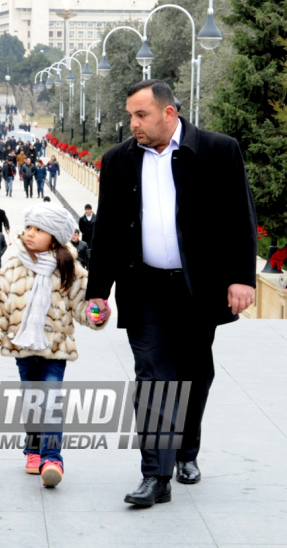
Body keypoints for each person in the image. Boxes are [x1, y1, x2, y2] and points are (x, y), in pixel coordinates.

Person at [86, 79, 257, 507]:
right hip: (143, 288)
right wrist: (98, 292)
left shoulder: (218, 150)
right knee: (152, 375)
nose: (133, 124)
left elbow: (240, 216)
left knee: (196, 374)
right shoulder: (119, 160)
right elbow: (105, 231)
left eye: (141, 115)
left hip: (198, 287)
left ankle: (186, 450)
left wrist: (242, 278)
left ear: (169, 113)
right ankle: (155, 476)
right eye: (130, 115)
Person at [0, 203, 110, 487]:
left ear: (55, 236)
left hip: (54, 349)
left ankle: (52, 458)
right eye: (29, 228)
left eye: (39, 230)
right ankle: (33, 449)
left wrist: (96, 313)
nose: (30, 234)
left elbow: (82, 304)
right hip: (23, 350)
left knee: (49, 402)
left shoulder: (68, 268)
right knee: (31, 403)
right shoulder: (13, 265)